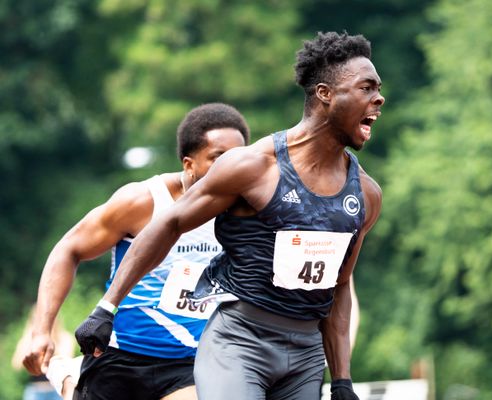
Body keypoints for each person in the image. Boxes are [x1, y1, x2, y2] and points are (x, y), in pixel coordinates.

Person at [76, 31, 384, 400]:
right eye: (367, 88)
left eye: (378, 89)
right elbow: (171, 223)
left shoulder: (365, 195)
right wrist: (106, 307)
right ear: (325, 94)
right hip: (240, 341)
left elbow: (338, 287)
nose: (379, 98)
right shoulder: (252, 167)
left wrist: (343, 380)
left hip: (305, 356)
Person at [23, 103, 250, 400]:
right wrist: (42, 330)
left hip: (194, 360)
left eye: (238, 158)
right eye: (218, 158)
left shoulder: (248, 208)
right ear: (188, 163)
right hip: (120, 355)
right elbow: (69, 249)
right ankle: (70, 377)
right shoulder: (143, 201)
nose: (230, 169)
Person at [12, 305, 75, 400]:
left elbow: (67, 362)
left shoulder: (65, 338)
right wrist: (29, 338)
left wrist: (52, 338)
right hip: (34, 391)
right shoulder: (28, 340)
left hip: (56, 390)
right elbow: (16, 365)